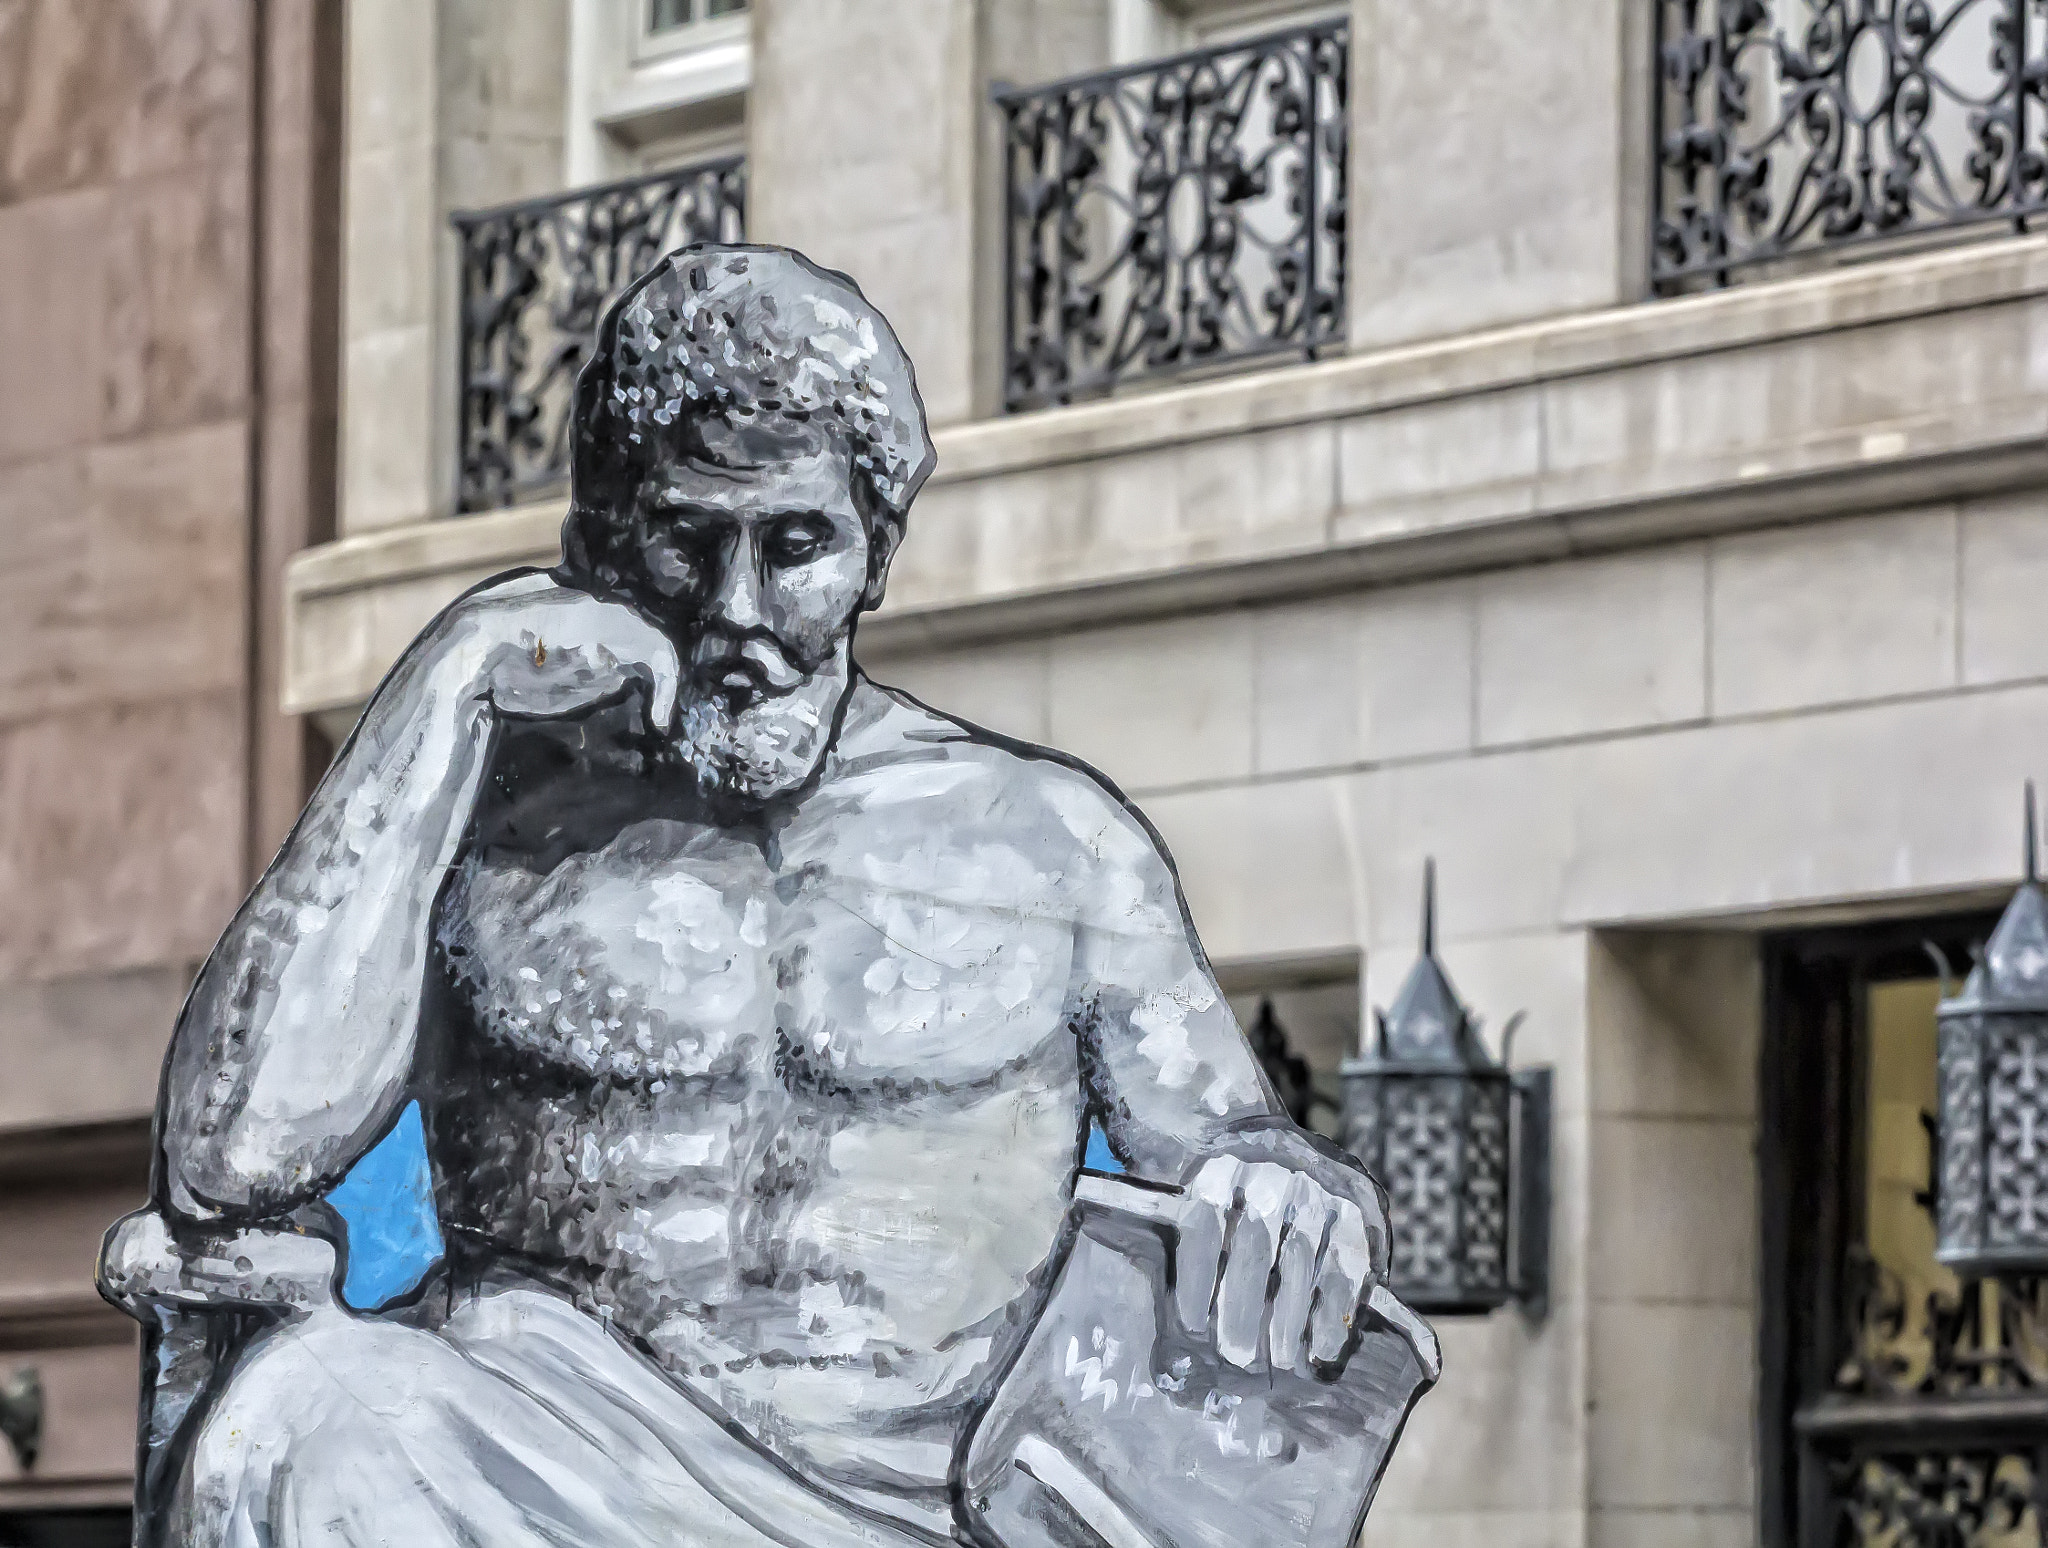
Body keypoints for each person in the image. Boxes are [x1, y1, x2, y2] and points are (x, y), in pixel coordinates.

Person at [99, 246, 1392, 1547]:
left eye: (796, 546)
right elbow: (233, 1161)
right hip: (545, 1466)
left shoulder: (1054, 844)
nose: (738, 612)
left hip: (918, 1506)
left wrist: (1284, 1188)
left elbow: (1229, 1143)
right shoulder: (487, 825)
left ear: (874, 552)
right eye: (688, 539)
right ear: (609, 544)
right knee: (300, 1423)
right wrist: (445, 684)